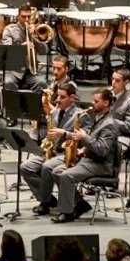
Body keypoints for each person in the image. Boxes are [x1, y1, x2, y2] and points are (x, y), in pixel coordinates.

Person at [21, 82, 91, 216]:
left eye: (62, 97)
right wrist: (47, 141)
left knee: (47, 167)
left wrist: (64, 133)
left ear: (72, 98)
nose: (58, 100)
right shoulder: (56, 112)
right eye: (57, 96)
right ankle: (50, 199)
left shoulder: (82, 115)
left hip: (70, 153)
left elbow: (85, 137)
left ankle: (45, 203)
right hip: (54, 152)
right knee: (25, 166)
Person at [51, 88, 118, 223]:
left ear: (106, 103)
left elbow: (102, 149)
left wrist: (85, 137)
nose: (92, 103)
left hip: (101, 165)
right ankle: (80, 204)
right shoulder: (99, 118)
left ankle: (67, 213)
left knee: (66, 175)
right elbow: (93, 141)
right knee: (57, 171)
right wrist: (82, 150)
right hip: (89, 160)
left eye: (95, 101)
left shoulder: (110, 124)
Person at [1, 5, 47, 99]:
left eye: (29, 16)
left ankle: (36, 110)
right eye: (23, 16)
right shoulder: (9, 30)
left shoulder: (35, 29)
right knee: (8, 83)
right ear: (18, 16)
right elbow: (7, 51)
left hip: (31, 71)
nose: (26, 19)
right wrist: (22, 47)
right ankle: (13, 111)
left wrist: (36, 38)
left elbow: (44, 51)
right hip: (13, 70)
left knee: (42, 83)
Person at [110, 68, 130, 153]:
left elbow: (129, 127)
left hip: (121, 137)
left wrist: (110, 121)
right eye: (112, 79)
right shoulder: (106, 93)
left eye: (117, 80)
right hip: (104, 134)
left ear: (125, 82)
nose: (113, 83)